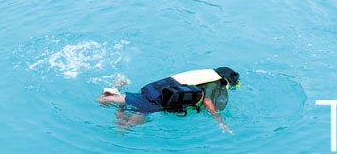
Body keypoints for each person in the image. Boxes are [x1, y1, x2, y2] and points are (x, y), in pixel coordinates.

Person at [97, 67, 240, 132]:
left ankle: (118, 91)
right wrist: (220, 121)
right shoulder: (215, 83)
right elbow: (208, 101)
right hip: (153, 104)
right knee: (123, 128)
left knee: (103, 102)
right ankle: (118, 93)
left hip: (150, 93)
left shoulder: (202, 75)